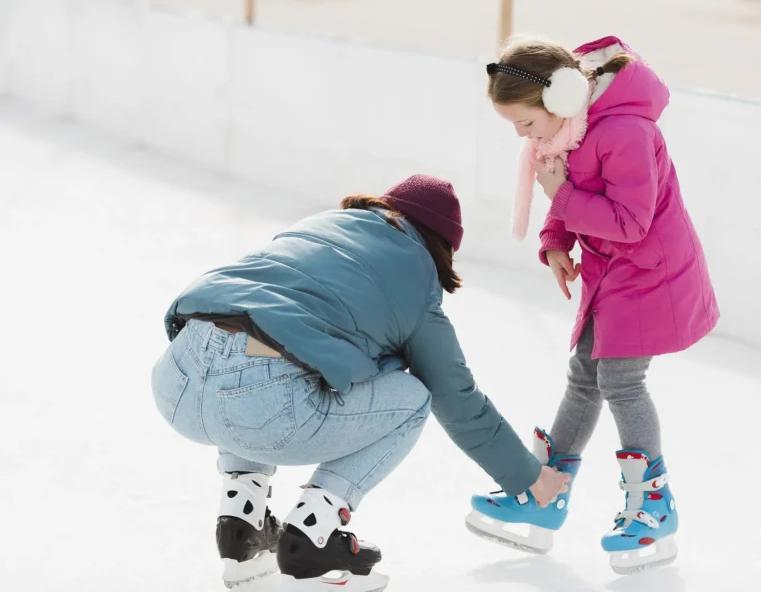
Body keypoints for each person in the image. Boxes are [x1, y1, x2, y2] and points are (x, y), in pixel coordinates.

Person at [151, 175, 571, 591]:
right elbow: (457, 400)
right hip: (261, 399)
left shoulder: (322, 223)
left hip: (177, 376)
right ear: (441, 248)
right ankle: (312, 535)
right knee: (410, 398)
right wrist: (530, 477)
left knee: (261, 348)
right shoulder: (415, 278)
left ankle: (242, 527)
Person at [466, 36, 719, 575]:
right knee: (584, 377)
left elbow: (630, 222)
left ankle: (655, 505)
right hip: (612, 275)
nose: (521, 137)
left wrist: (560, 200)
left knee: (620, 382)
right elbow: (575, 193)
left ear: (558, 98)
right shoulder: (569, 130)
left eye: (524, 124)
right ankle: (543, 493)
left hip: (651, 274)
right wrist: (554, 239)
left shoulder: (625, 130)